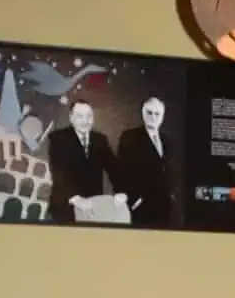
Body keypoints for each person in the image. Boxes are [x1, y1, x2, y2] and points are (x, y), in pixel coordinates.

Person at [46, 100, 126, 224]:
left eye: (89, 116)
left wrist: (121, 192)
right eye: (80, 116)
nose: (85, 121)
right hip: (66, 206)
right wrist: (76, 199)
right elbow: (58, 172)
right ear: (71, 118)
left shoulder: (100, 140)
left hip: (93, 208)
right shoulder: (58, 138)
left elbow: (114, 168)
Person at [117, 96, 174, 228]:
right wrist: (135, 199)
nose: (153, 117)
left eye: (157, 114)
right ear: (143, 114)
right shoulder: (130, 137)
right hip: (142, 207)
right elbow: (121, 170)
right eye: (149, 113)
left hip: (166, 207)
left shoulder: (167, 140)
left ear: (162, 116)